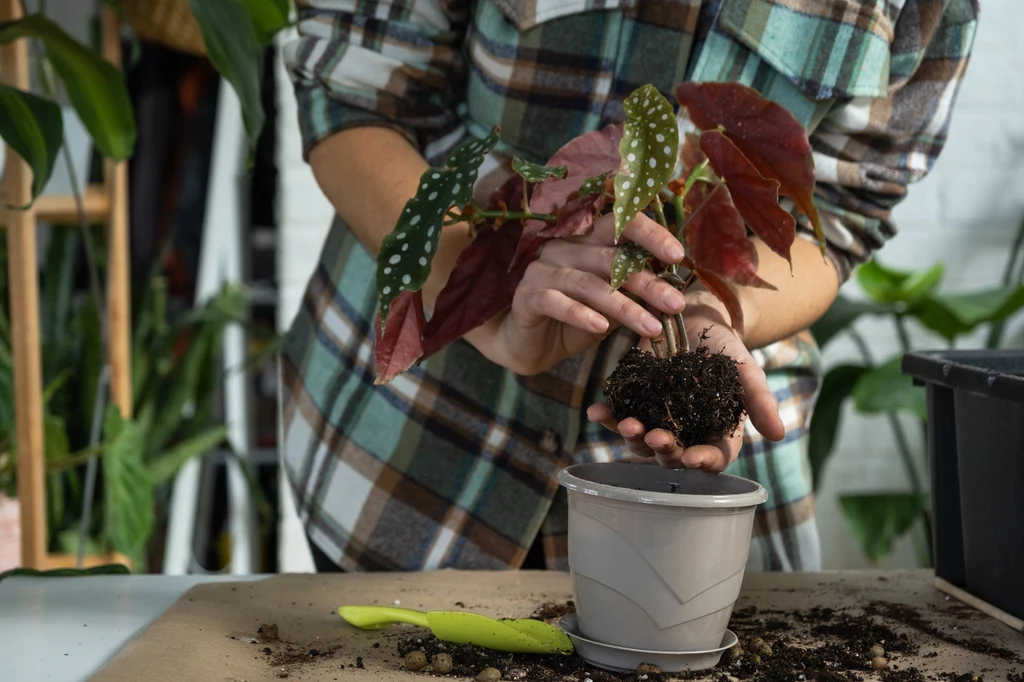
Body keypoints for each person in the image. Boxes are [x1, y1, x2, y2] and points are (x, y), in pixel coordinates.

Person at [278, 0, 978, 573]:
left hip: (689, 525)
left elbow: (846, 217)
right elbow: (352, 87)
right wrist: (475, 283)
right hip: (409, 463)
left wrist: (711, 307)